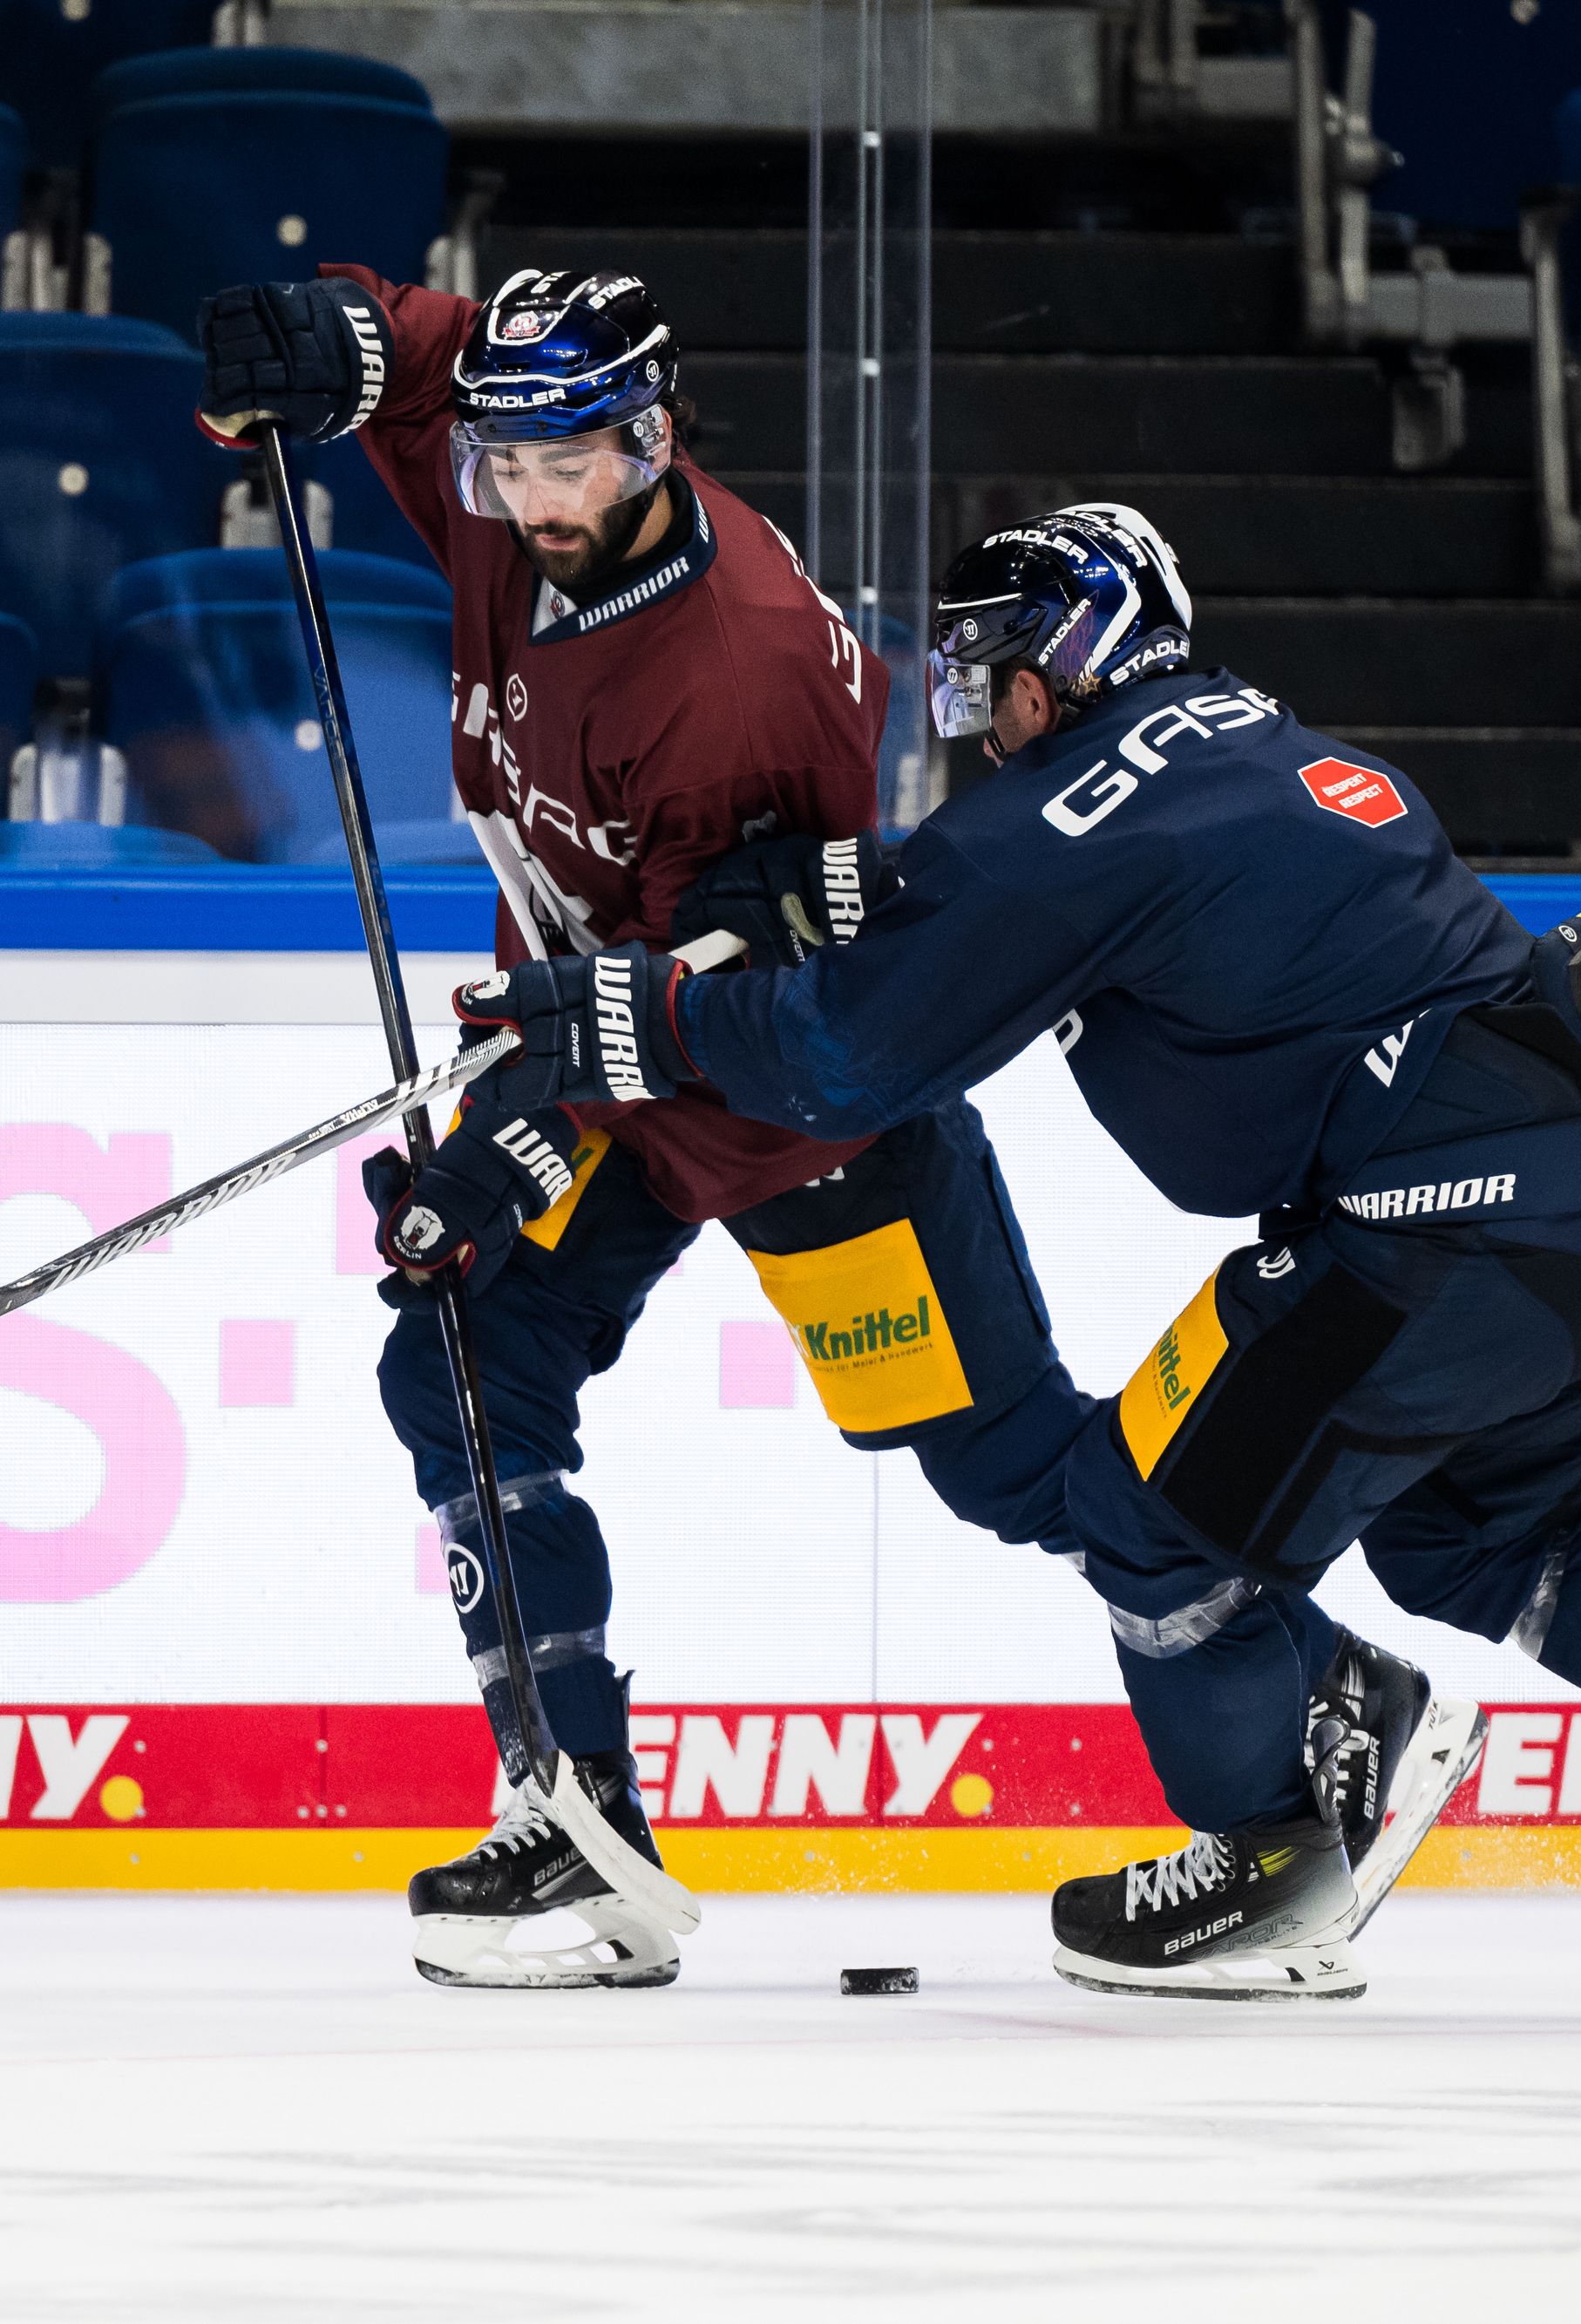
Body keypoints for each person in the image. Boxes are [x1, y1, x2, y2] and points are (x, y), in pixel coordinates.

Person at [445, 504, 1581, 2008]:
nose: (982, 717)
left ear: (1055, 664)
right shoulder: (1246, 738)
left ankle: (1275, 1861)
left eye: (989, 678)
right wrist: (844, 885)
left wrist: (634, 1017)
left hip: (1453, 1221)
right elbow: (1051, 879)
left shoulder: (1061, 822)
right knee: (1482, 1535)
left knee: (1151, 1513)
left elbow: (851, 1066)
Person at [193, 271, 1179, 1991]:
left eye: (576, 460)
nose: (538, 499)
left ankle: (1317, 1703)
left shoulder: (725, 681)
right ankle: (575, 1824)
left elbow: (711, 1000)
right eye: (513, 464)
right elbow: (429, 359)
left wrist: (513, 1127)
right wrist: (324, 343)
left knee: (1003, 1462)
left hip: (800, 1108)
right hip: (623, 1084)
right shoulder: (509, 500)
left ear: (654, 435)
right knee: (460, 1357)